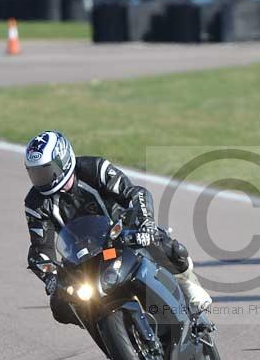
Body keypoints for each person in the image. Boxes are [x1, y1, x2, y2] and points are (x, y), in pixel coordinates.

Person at [23, 130, 211, 325]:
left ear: (63, 161)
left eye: (45, 171)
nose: (40, 179)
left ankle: (189, 285)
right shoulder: (35, 203)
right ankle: (105, 330)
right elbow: (40, 248)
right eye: (35, 173)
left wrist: (145, 223)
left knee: (166, 247)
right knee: (60, 308)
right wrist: (50, 276)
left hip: (120, 233)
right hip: (81, 255)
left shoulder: (95, 168)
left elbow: (135, 193)